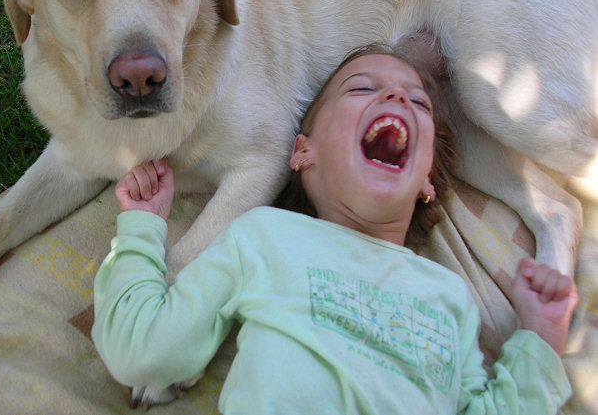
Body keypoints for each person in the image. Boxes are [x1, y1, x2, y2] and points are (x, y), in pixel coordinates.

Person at [92, 44, 578, 414]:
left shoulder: (450, 296)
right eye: (362, 89)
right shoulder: (265, 236)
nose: (395, 96)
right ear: (303, 152)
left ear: (427, 179)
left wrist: (539, 339)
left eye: (419, 103)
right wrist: (142, 228)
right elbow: (143, 352)